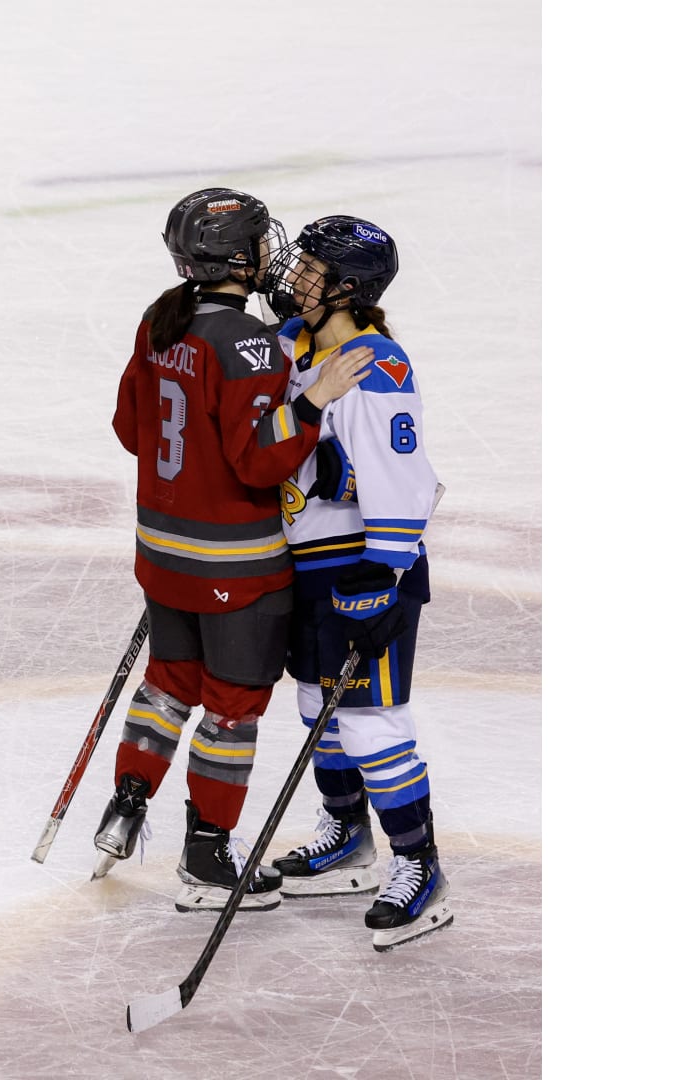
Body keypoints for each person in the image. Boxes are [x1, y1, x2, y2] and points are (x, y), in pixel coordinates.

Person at [92, 189, 371, 914]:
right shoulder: (247, 343)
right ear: (235, 258)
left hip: (161, 554)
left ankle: (126, 805)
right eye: (259, 243)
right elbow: (257, 462)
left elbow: (129, 428)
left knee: (167, 684)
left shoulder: (160, 319)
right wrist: (311, 401)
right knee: (231, 708)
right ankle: (208, 854)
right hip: (236, 566)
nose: (270, 254)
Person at [261, 216, 450, 951]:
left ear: (347, 288)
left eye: (311, 268)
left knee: (372, 722)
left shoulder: (377, 363)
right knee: (319, 709)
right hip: (306, 564)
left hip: (364, 567)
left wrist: (385, 567)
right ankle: (347, 835)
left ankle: (419, 864)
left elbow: (403, 472)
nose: (295, 275)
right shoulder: (293, 344)